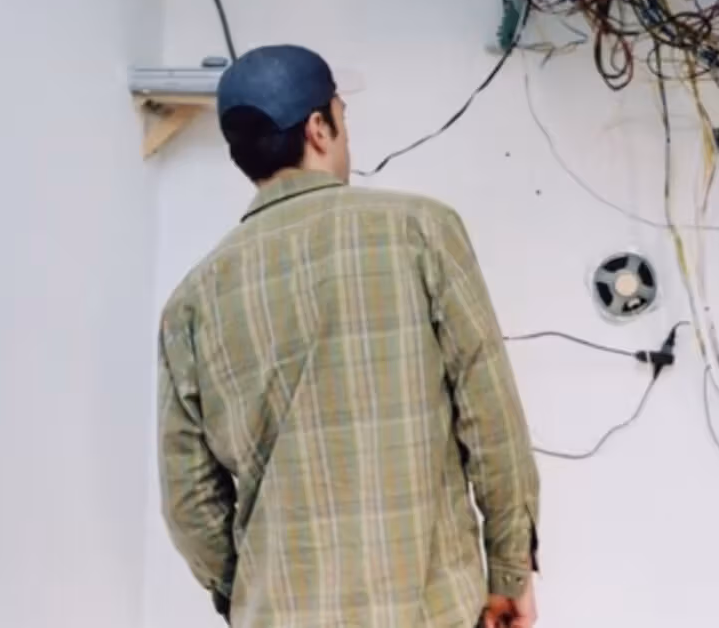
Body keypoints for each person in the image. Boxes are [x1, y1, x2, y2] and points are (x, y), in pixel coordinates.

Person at [156, 44, 540, 628]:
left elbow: (189, 500)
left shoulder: (191, 301)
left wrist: (253, 591)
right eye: (342, 115)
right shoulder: (420, 232)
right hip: (430, 610)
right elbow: (490, 421)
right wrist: (509, 573)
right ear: (318, 127)